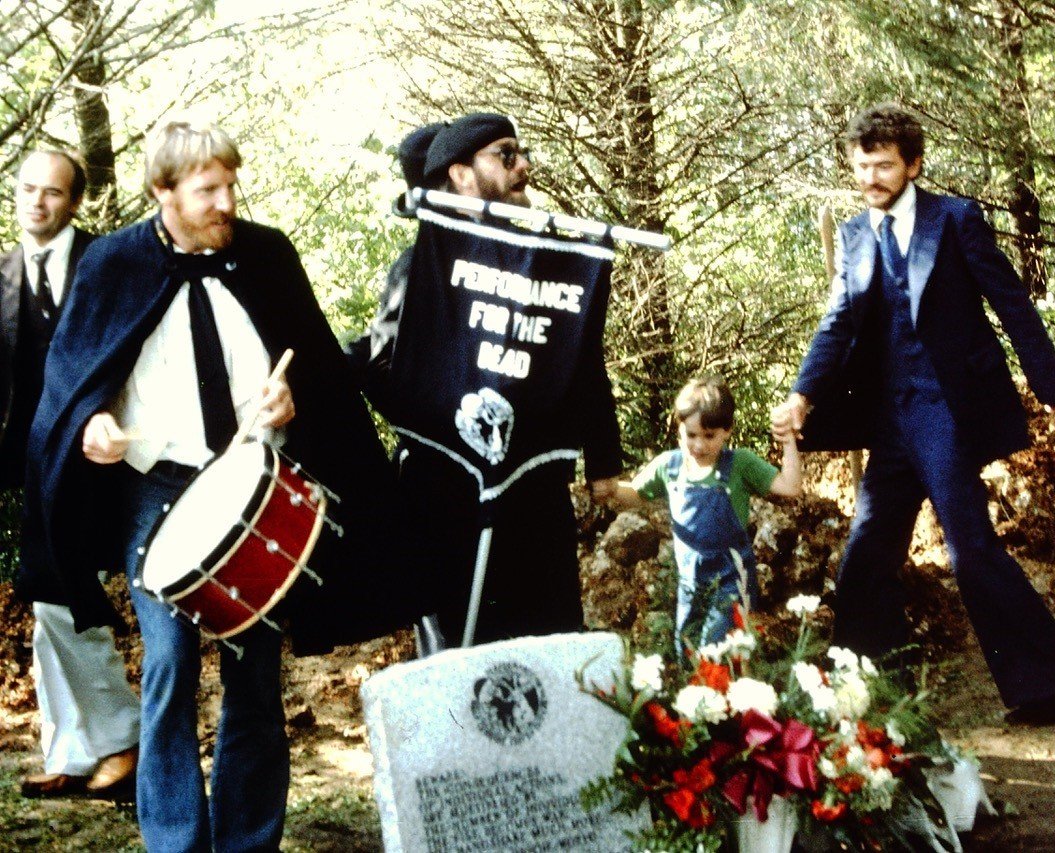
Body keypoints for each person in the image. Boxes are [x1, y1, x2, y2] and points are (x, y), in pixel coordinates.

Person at [23, 118, 401, 850]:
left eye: (231, 185)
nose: (227, 201)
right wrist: (91, 425)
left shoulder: (265, 254)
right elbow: (71, 382)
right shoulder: (112, 264)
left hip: (247, 481)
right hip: (151, 487)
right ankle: (174, 839)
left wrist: (290, 406)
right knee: (168, 664)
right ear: (162, 191)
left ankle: (248, 839)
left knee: (254, 671)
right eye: (208, 190)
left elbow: (316, 371)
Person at [772, 103, 1055, 725]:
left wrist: (1052, 384)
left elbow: (1011, 302)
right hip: (889, 421)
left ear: (913, 165)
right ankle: (865, 694)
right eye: (862, 166)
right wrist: (801, 395)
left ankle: (1044, 684)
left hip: (945, 411)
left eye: (884, 165)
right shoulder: (858, 235)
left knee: (969, 548)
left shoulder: (955, 219)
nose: (871, 178)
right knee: (865, 552)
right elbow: (837, 322)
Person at [350, 112, 623, 648]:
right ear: (460, 174)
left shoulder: (542, 262)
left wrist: (603, 460)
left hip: (534, 491)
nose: (524, 166)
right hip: (449, 493)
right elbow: (378, 363)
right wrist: (448, 421)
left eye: (522, 154)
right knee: (462, 649)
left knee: (547, 641)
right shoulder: (422, 268)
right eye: (506, 155)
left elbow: (580, 360)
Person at [5, 150, 140, 800]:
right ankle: (75, 748)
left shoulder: (105, 263)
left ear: (74, 201)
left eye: (52, 193)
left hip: (95, 460)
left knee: (62, 595)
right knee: (48, 603)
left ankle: (122, 738)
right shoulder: (2, 274)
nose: (37, 202)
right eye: (27, 189)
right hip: (31, 466)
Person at [612, 375, 802, 648]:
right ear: (679, 428)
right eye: (691, 435)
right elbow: (634, 494)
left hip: (732, 582)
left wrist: (788, 441)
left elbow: (791, 486)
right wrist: (608, 487)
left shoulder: (740, 464)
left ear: (727, 430)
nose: (699, 446)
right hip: (690, 584)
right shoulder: (669, 466)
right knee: (687, 650)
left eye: (709, 436)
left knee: (721, 651)